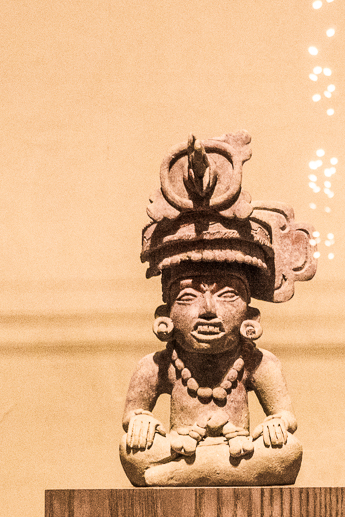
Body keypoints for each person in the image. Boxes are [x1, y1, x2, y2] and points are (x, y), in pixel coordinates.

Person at [120, 131, 315, 486]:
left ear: (250, 318)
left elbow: (285, 418)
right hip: (205, 451)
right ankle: (212, 471)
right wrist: (141, 423)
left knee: (288, 451)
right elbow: (133, 415)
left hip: (233, 447)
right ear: (164, 317)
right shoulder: (155, 366)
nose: (208, 310)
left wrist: (275, 425)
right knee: (132, 451)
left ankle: (179, 474)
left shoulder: (259, 363)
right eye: (188, 297)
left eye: (227, 295)